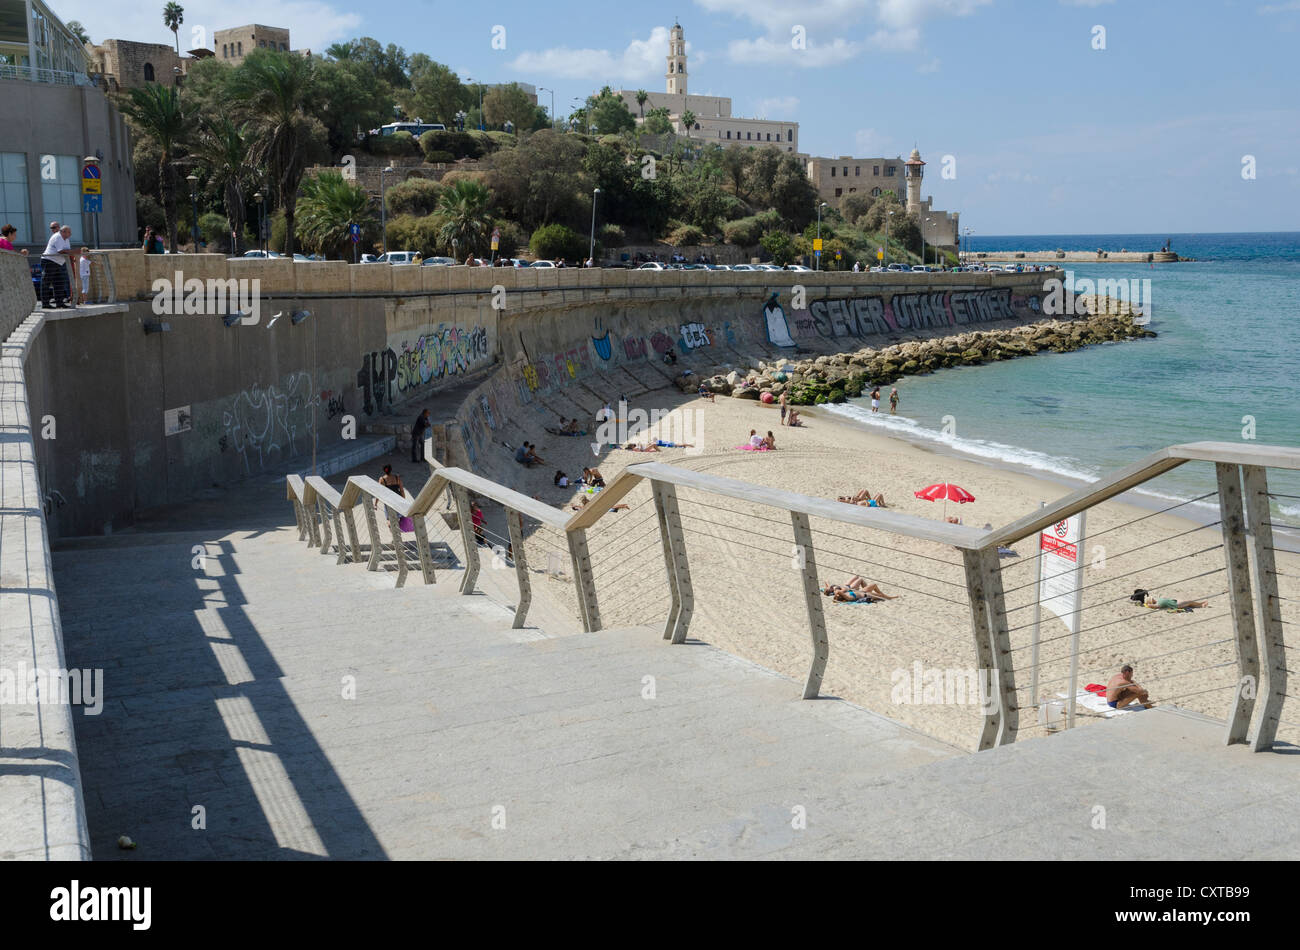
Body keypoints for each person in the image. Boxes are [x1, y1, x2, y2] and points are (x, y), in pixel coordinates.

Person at [40, 224, 72, 309]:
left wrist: (71, 252)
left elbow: (67, 251)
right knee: (46, 282)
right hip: (49, 261)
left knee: (59, 283)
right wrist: (74, 252)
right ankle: (45, 304)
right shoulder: (58, 236)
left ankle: (59, 303)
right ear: (63, 232)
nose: (70, 234)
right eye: (69, 232)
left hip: (58, 262)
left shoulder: (66, 239)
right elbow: (61, 251)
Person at [821, 576, 897, 601]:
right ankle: (890, 597)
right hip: (865, 595)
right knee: (881, 596)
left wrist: (828, 587)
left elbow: (837, 594)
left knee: (874, 585)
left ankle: (885, 595)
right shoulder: (847, 597)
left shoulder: (843, 594)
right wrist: (835, 594)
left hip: (861, 591)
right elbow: (838, 593)